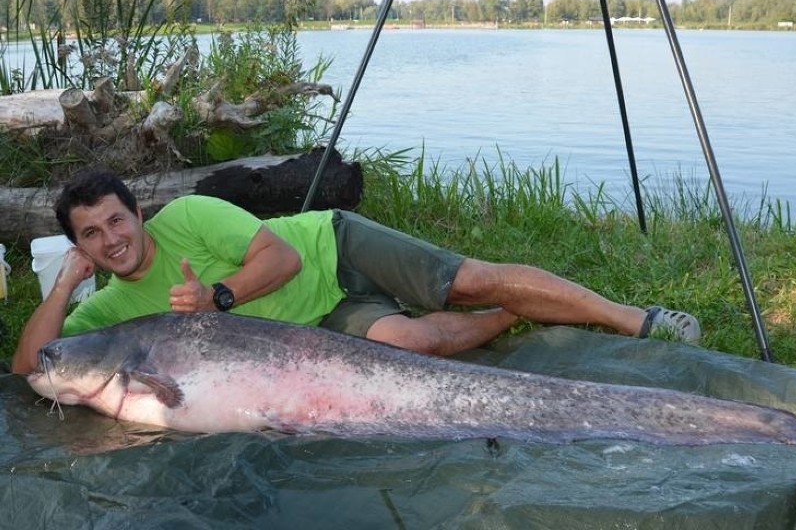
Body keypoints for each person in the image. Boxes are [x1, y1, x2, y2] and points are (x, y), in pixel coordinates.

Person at [11, 168, 700, 374]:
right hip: (318, 322)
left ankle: (637, 320)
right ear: (82, 245)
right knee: (410, 347)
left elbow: (278, 257)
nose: (112, 240)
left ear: (137, 211)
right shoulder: (105, 308)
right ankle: (511, 317)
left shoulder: (187, 216)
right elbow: (29, 368)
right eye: (91, 235)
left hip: (330, 248)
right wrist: (68, 284)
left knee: (471, 276)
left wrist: (217, 297)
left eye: (116, 220)